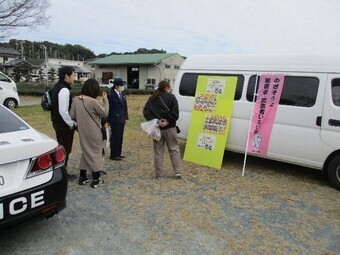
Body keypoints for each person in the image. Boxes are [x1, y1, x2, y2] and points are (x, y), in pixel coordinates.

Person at [70, 78, 109, 188]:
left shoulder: (75, 99)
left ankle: (82, 177)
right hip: (95, 132)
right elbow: (105, 113)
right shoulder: (92, 101)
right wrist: (105, 100)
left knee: (85, 152)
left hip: (83, 132)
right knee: (96, 153)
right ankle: (96, 179)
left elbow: (72, 115)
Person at [143, 80, 182, 179]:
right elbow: (175, 113)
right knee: (174, 149)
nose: (170, 89)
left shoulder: (152, 98)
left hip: (157, 128)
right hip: (170, 127)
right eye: (169, 87)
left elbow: (146, 112)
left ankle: (159, 174)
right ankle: (177, 172)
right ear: (166, 88)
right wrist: (168, 121)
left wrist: (157, 121)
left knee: (158, 151)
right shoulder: (172, 97)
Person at [50, 66, 77, 180]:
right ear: (67, 76)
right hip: (63, 124)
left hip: (57, 122)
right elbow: (63, 111)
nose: (74, 78)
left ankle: (61, 171)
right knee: (65, 149)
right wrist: (71, 123)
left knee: (61, 147)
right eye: (73, 75)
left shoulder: (56, 87)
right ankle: (62, 173)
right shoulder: (64, 89)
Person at [107, 78, 128, 161]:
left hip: (121, 118)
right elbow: (109, 108)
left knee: (120, 137)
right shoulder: (111, 95)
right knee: (115, 137)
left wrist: (126, 117)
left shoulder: (122, 93)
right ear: (116, 85)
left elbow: (125, 106)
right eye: (120, 85)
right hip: (114, 118)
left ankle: (118, 153)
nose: (122, 87)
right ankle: (113, 154)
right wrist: (108, 120)